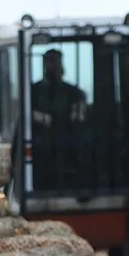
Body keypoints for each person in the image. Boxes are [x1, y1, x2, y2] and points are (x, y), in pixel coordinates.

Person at [30, 49, 90, 185]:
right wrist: (43, 118)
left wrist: (76, 116)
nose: (54, 66)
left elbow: (79, 115)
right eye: (50, 62)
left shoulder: (73, 91)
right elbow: (27, 113)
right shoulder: (33, 91)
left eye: (56, 62)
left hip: (68, 135)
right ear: (44, 64)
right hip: (41, 136)